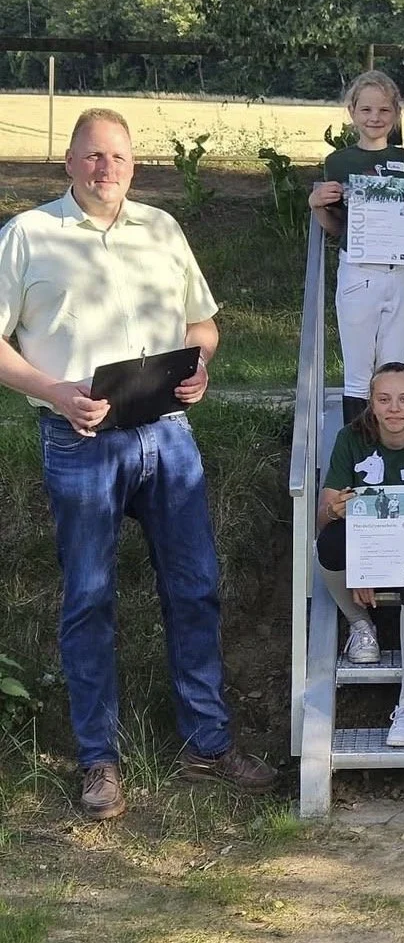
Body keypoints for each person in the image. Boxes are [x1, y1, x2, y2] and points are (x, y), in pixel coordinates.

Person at [0, 108, 276, 820]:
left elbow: (202, 323)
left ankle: (207, 745)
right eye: (92, 156)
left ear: (133, 164)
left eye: (117, 157)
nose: (105, 169)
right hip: (80, 438)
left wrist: (201, 366)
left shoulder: (161, 229)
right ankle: (99, 759)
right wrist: (55, 391)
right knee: (89, 597)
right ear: (68, 162)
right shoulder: (29, 235)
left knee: (195, 588)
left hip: (167, 430)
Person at [315, 362, 404, 747]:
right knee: (328, 544)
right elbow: (322, 517)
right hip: (366, 545)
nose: (394, 408)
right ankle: (361, 625)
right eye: (384, 399)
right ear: (371, 404)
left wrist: (374, 565)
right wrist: (334, 511)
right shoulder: (350, 438)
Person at [308, 71, 404, 424]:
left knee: (396, 369)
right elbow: (336, 227)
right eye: (366, 110)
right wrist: (317, 204)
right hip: (359, 271)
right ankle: (359, 452)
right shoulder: (339, 162)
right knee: (359, 372)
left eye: (383, 110)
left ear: (396, 113)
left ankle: (395, 450)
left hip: (400, 270)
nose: (374, 118)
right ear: (352, 111)